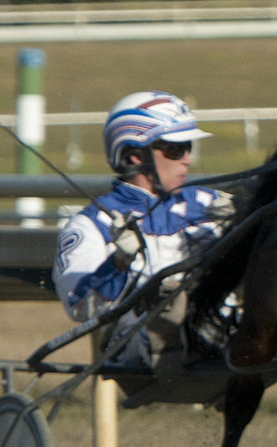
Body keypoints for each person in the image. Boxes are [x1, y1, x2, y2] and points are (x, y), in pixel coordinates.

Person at [53, 90, 228, 374]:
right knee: (171, 298)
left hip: (221, 323)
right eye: (175, 149)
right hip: (135, 346)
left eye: (188, 147)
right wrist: (118, 263)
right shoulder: (91, 225)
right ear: (134, 156)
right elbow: (81, 307)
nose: (187, 160)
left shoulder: (208, 203)